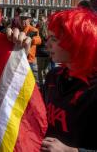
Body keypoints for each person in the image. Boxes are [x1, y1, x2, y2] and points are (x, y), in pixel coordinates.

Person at [41, 8, 97, 151]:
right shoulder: (53, 76)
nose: (47, 45)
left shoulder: (93, 89)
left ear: (75, 43)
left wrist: (72, 151)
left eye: (54, 39)